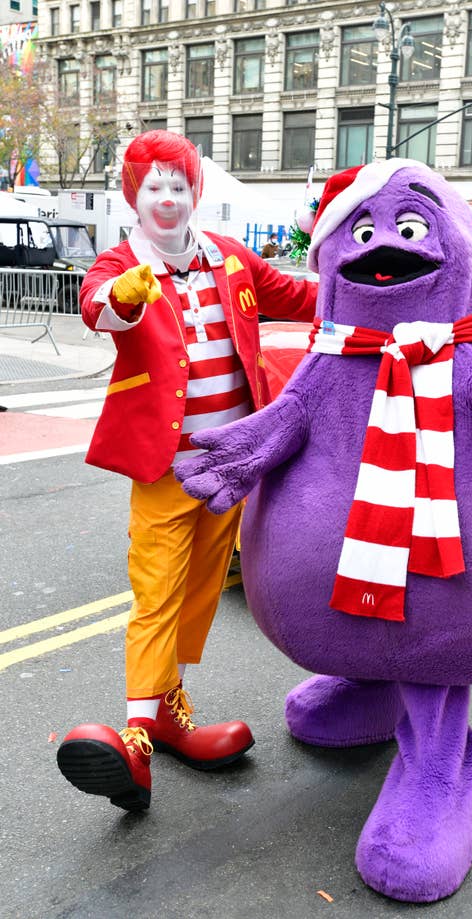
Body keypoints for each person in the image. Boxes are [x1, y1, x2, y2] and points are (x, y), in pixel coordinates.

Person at [56, 130, 318, 813]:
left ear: (195, 191)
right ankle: (138, 737)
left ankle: (169, 710)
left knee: (200, 590)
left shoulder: (229, 259)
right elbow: (97, 308)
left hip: (230, 467)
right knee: (156, 593)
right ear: (133, 198)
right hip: (166, 469)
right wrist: (126, 296)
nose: (167, 199)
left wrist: (368, 280)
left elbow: (299, 296)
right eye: (153, 188)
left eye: (179, 185)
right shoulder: (121, 263)